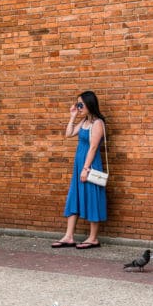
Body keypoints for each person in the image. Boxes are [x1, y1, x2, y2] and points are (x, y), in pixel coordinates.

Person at [52, 90, 107, 250]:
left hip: (89, 165)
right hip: (79, 167)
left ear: (90, 104)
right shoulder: (83, 122)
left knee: (92, 196)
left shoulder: (98, 123)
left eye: (81, 104)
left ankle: (93, 238)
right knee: (74, 196)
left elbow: (94, 147)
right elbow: (68, 134)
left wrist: (86, 169)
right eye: (77, 104)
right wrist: (73, 116)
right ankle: (69, 236)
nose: (79, 107)